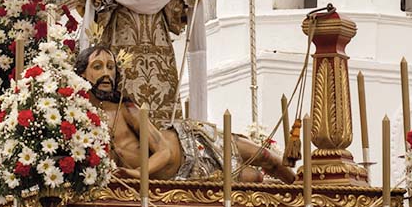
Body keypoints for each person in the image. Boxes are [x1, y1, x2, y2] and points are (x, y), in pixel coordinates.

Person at [76, 44, 294, 182]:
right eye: (98, 67)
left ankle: (304, 188)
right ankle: (294, 196)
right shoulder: (79, 121)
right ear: (82, 73)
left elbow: (164, 151)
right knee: (253, 178)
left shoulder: (127, 108)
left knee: (264, 157)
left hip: (190, 142)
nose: (106, 73)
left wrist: (137, 174)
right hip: (185, 174)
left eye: (111, 67)